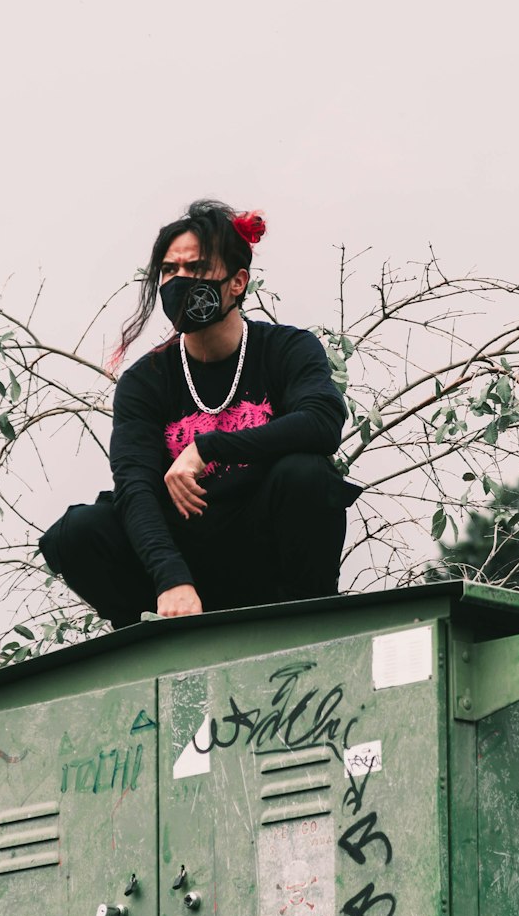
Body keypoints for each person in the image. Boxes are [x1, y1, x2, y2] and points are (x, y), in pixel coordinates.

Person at [39, 198, 359, 628]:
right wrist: (170, 577)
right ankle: (148, 642)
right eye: (170, 271)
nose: (179, 281)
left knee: (307, 474)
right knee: (76, 531)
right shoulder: (146, 379)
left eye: (197, 268)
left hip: (265, 549)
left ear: (237, 282)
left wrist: (207, 447)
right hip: (180, 566)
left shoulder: (285, 349)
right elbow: (135, 484)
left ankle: (305, 626)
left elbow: (322, 423)